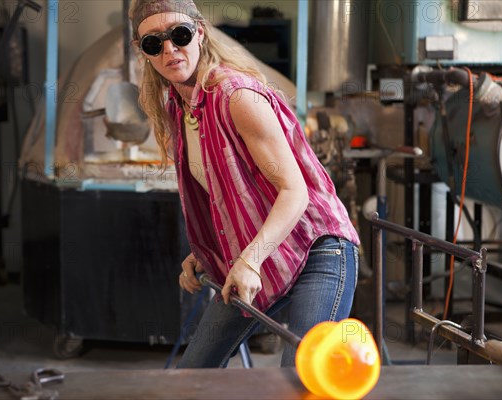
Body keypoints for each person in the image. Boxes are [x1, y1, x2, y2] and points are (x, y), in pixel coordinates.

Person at [129, 0, 360, 368]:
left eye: (179, 34)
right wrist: (205, 252)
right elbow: (227, 194)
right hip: (261, 254)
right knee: (194, 372)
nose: (170, 48)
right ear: (144, 54)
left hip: (316, 247)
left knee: (300, 377)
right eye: (154, 44)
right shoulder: (179, 106)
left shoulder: (236, 96)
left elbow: (293, 191)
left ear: (200, 34)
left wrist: (249, 261)